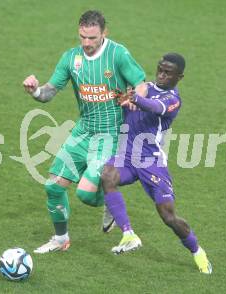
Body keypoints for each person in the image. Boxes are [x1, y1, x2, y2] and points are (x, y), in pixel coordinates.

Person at [22, 10, 146, 254]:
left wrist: (136, 99)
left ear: (104, 33)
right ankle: (60, 239)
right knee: (53, 187)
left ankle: (110, 199)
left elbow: (141, 84)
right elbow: (48, 93)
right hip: (83, 131)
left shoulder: (117, 54)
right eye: (83, 37)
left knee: (86, 194)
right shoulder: (71, 59)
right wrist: (35, 90)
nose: (87, 43)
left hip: (110, 134)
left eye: (92, 38)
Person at [100, 53, 213, 274]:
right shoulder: (144, 87)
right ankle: (128, 234)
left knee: (168, 215)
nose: (161, 75)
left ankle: (197, 251)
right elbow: (128, 105)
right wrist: (121, 99)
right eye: (159, 69)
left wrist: (135, 99)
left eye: (167, 72)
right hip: (127, 156)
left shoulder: (173, 99)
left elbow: (154, 107)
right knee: (107, 176)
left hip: (151, 162)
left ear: (179, 77)